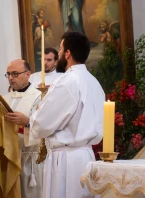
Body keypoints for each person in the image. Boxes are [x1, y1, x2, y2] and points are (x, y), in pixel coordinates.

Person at [29, 32, 105, 197]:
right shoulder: (94, 82)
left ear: (68, 53)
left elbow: (43, 123)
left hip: (66, 161)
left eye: (61, 49)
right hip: (86, 157)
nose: (60, 52)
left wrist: (36, 114)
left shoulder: (68, 81)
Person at [3, 59, 42, 198]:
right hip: (8, 158)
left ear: (27, 74)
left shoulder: (39, 96)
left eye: (15, 74)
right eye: (8, 74)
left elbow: (45, 126)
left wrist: (27, 122)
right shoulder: (4, 98)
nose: (10, 78)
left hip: (30, 160)